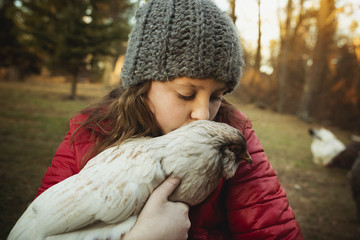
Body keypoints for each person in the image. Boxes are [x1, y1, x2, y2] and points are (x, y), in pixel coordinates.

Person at [36, 0, 303, 239]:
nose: (203, 115)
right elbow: (40, 227)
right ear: (142, 85)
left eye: (217, 96)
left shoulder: (233, 141)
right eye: (186, 94)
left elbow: (273, 229)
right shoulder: (90, 135)